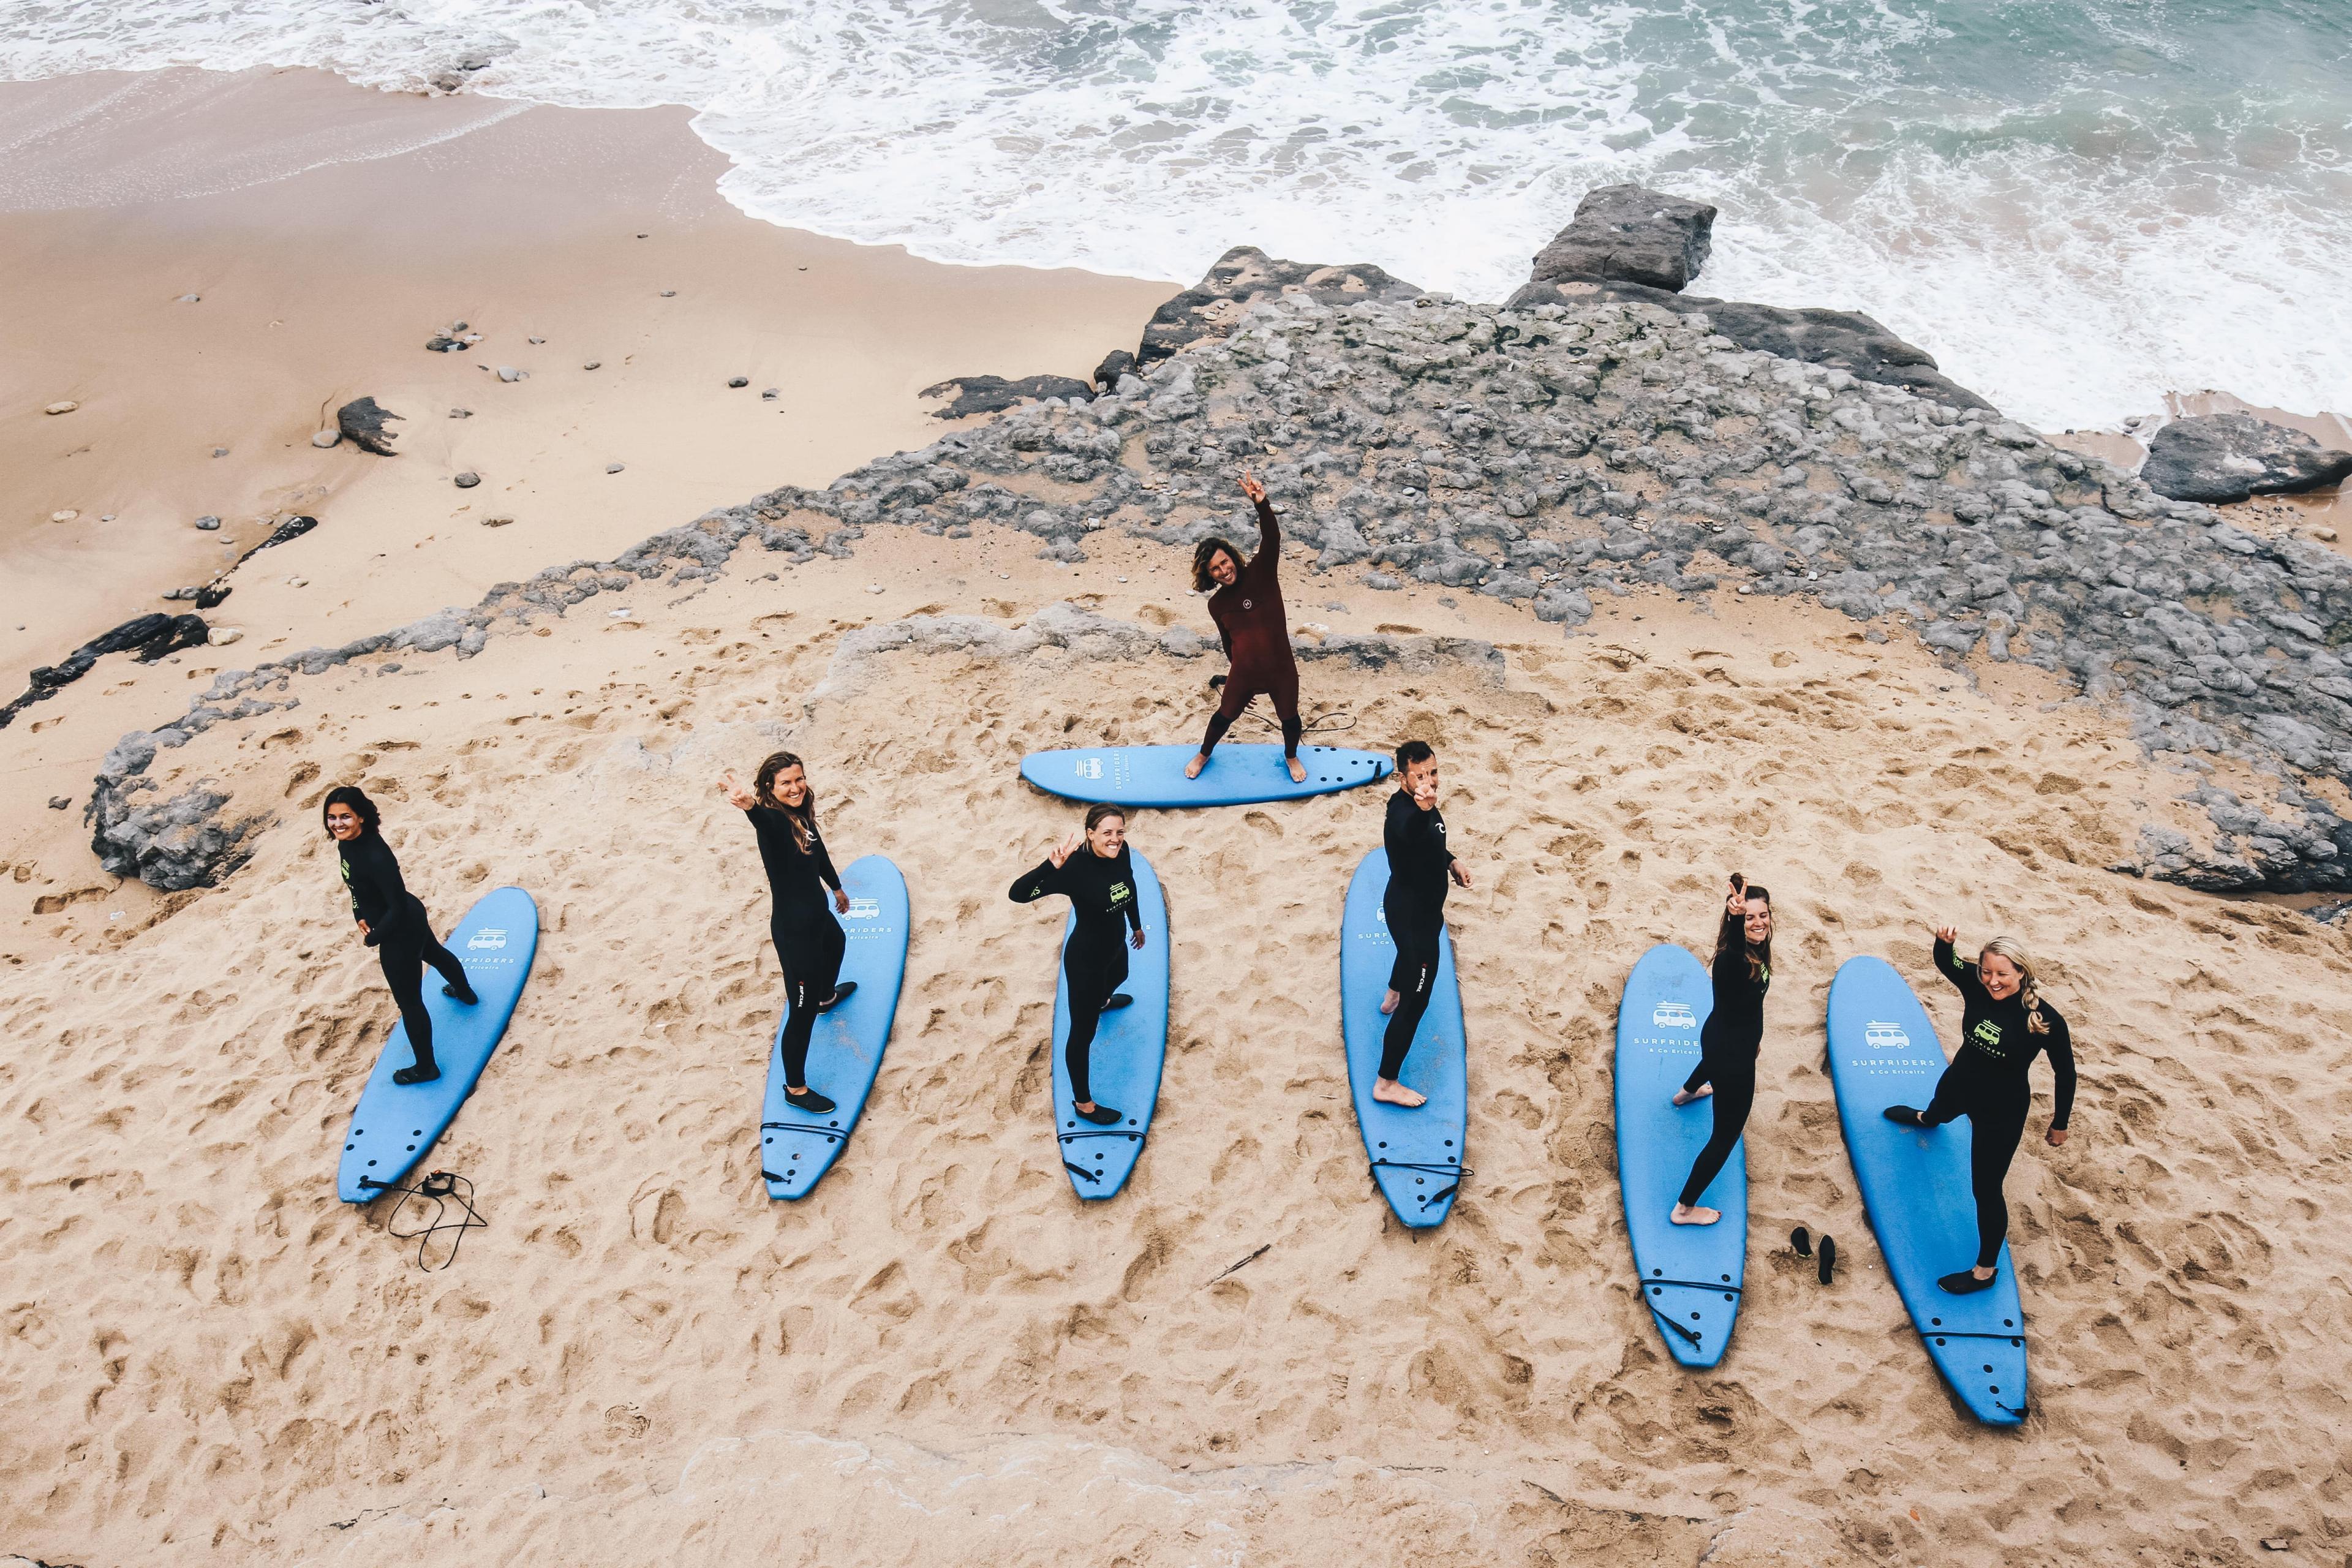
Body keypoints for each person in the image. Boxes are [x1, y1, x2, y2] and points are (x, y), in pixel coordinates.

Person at [1883, 929, 2078, 1294]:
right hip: (1960, 1081)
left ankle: (1985, 1272)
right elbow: (1948, 963)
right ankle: (1927, 1120)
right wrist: (1945, 943)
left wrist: (2060, 1123)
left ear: (2022, 973)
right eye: (1987, 971)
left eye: (2002, 974)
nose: (1992, 981)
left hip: (2000, 1110)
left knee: (1986, 1190)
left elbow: (2065, 1073)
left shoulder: (2045, 1019)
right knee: (1937, 1111)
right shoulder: (1976, 984)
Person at [721, 753, 857, 1115]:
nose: (795, 788)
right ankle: (795, 1089)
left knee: (838, 943)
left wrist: (836, 886)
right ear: (770, 788)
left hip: (818, 914)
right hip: (795, 931)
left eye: (799, 779)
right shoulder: (775, 823)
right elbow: (765, 822)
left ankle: (827, 997)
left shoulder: (801, 813)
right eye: (786, 783)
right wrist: (749, 806)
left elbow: (819, 849)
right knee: (801, 1012)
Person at [323, 785, 476, 1087]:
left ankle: (426, 1068)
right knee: (433, 952)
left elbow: (394, 906)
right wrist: (359, 914)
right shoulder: (347, 845)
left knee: (410, 1002)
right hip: (406, 916)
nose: (338, 824)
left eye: (346, 817)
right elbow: (356, 888)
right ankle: (465, 993)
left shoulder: (376, 855)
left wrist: (375, 936)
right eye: (332, 818)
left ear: (361, 818)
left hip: (400, 927)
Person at [1009, 802, 1147, 1126]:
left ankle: (1103, 1000)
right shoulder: (1074, 869)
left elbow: (1129, 885)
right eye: (1107, 833)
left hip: (1115, 946)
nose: (1115, 839)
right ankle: (1084, 1104)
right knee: (1082, 1035)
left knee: (1122, 974)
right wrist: (1050, 865)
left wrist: (1136, 925)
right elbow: (1018, 894)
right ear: (1090, 834)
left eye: (1119, 832)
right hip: (1085, 960)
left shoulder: (1122, 851)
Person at [1186, 469, 1307, 785]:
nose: (1223, 571)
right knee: (1224, 717)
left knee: (1290, 719)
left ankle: (1291, 756)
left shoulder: (1261, 573)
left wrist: (1262, 505)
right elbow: (1229, 644)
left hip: (1281, 669)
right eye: (1215, 569)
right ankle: (1203, 754)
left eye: (1225, 563)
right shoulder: (1217, 605)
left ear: (1233, 559)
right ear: (1209, 575)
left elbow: (1273, 537)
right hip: (1245, 672)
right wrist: (1238, 674)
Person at [1670, 875, 1772, 1226]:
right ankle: (1684, 1209)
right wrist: (1733, 915)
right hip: (1733, 1061)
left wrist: (1754, 1036)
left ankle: (1685, 1094)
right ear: (1736, 921)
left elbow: (1750, 1001)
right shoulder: (1733, 959)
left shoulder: (1758, 950)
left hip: (1718, 1039)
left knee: (1708, 1064)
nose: (1758, 923)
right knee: (1725, 1137)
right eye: (1749, 918)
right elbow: (1730, 959)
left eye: (1763, 915)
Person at [1376, 740, 1470, 1107]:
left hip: (1418, 910)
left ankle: (1390, 996)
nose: (1428, 781)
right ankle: (1386, 1083)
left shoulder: (1419, 803)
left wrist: (1452, 862)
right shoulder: (1404, 813)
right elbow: (1410, 832)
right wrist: (1422, 809)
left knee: (1407, 961)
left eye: (1433, 772)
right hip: (1414, 915)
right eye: (1419, 776)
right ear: (1401, 777)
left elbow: (1431, 841)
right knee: (1417, 1003)